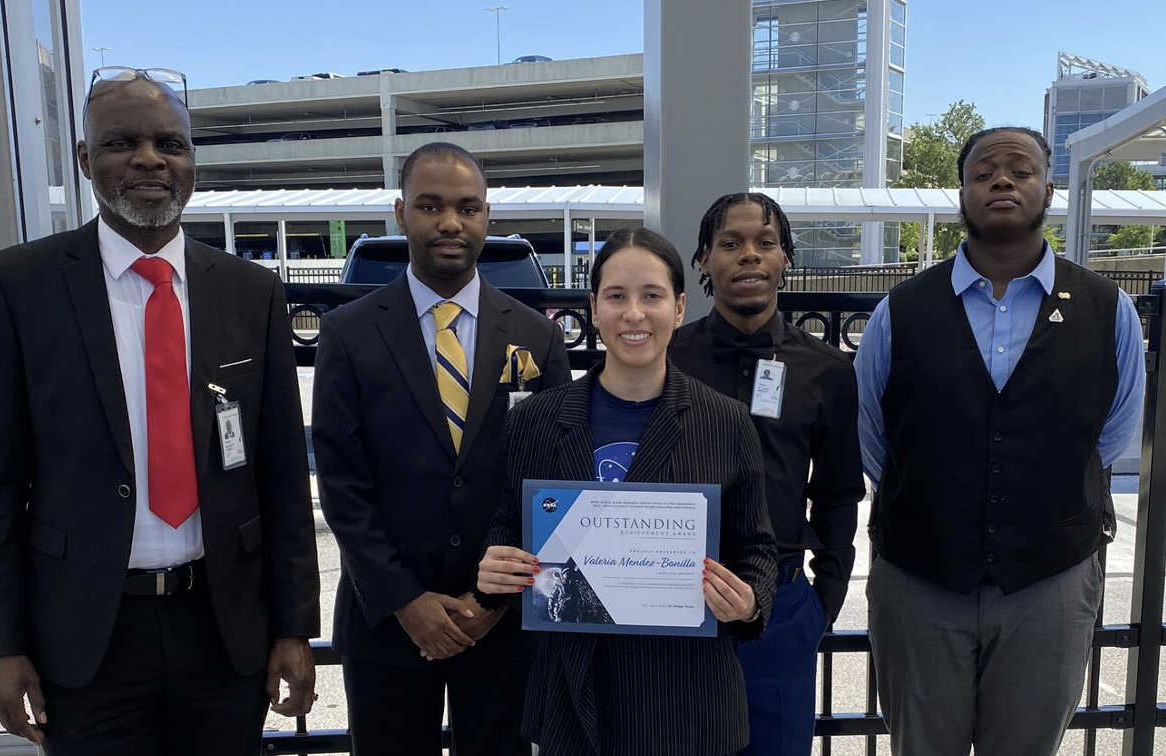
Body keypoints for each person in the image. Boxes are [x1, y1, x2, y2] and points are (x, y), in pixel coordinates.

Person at [0, 67, 320, 756]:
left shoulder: (252, 293)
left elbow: (279, 478)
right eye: (123, 142)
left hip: (222, 627)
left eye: (171, 144)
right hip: (88, 636)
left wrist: (293, 626)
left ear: (191, 160)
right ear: (84, 159)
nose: (151, 159)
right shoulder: (17, 287)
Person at [854, 126, 1145, 756]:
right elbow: (876, 438)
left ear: (1048, 188)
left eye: (1021, 169)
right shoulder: (901, 311)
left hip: (1049, 578)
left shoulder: (1105, 308)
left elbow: (1109, 434)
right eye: (984, 173)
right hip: (920, 577)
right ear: (962, 193)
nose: (1003, 181)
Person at [476, 227, 779, 756]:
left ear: (680, 308)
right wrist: (494, 568)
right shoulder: (537, 421)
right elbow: (510, 524)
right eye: (616, 296)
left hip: (685, 702)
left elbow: (756, 546)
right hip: (573, 697)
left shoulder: (725, 423)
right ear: (594, 308)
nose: (634, 314)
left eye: (652, 296)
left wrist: (749, 601)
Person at [312, 142, 572, 756]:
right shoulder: (348, 333)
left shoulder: (537, 335)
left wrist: (491, 601)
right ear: (400, 214)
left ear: (487, 216)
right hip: (388, 621)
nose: (450, 223)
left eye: (467, 207)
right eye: (430, 206)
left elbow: (552, 481)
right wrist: (405, 600)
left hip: (504, 625)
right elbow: (343, 487)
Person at [669, 192, 864, 756]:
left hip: (779, 608)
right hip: (675, 602)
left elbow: (838, 494)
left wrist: (823, 604)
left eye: (765, 243)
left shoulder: (825, 370)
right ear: (703, 260)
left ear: (785, 259)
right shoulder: (667, 360)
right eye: (730, 244)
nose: (748, 255)